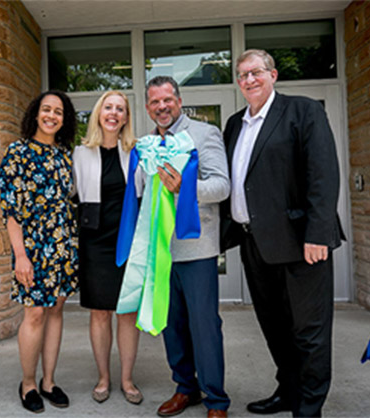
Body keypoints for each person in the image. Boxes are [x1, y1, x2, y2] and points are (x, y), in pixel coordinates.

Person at [220, 49, 343, 417]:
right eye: (242, 75)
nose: (249, 80)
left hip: (302, 243)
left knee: (310, 332)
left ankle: (308, 407)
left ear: (273, 75)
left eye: (256, 72)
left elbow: (323, 175)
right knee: (275, 327)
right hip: (254, 244)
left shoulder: (302, 111)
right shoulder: (234, 124)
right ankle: (288, 391)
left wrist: (318, 234)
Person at [144, 76, 231, 418]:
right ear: (149, 107)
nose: (162, 107)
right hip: (161, 249)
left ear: (179, 101)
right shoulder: (148, 142)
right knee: (172, 325)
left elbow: (221, 186)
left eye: (167, 100)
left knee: (204, 326)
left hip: (196, 249)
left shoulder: (204, 133)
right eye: (154, 102)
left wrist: (185, 187)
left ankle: (216, 400)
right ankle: (185, 388)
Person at [0, 90, 79, 414]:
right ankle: (28, 383)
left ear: (64, 119)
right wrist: (20, 255)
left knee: (56, 310)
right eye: (46, 110)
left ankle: (49, 381)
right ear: (35, 113)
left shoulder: (64, 154)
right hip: (31, 248)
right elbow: (11, 211)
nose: (51, 116)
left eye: (58, 112)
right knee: (34, 313)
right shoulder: (17, 152)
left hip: (62, 245)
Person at [72, 91, 143, 405]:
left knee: (126, 311)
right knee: (100, 312)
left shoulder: (138, 151)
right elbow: (70, 194)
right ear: (99, 113)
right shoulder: (79, 153)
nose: (113, 113)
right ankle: (104, 378)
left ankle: (127, 380)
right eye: (108, 107)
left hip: (129, 238)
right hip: (94, 239)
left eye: (120, 109)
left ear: (126, 117)